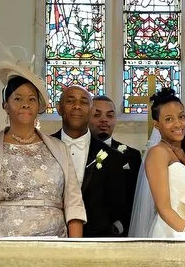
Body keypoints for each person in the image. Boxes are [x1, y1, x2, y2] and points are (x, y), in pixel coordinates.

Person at [0, 64, 85, 238]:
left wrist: (76, 247)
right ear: (5, 105)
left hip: (54, 242)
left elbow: (73, 201)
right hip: (3, 241)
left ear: (38, 106)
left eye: (31, 99)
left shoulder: (59, 148)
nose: (25, 104)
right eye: (18, 99)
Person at [130, 88, 185, 237]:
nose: (178, 124)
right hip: (172, 230)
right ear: (156, 124)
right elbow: (163, 208)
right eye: (168, 119)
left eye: (181, 117)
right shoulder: (158, 153)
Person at [52, 86, 130, 237]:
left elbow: (118, 207)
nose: (77, 106)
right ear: (59, 108)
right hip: (51, 236)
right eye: (70, 101)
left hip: (96, 241)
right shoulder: (45, 147)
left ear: (91, 109)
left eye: (84, 102)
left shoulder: (113, 157)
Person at [89, 94, 142, 206]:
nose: (104, 120)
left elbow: (135, 198)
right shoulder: (78, 151)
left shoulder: (132, 156)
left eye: (110, 115)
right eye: (96, 115)